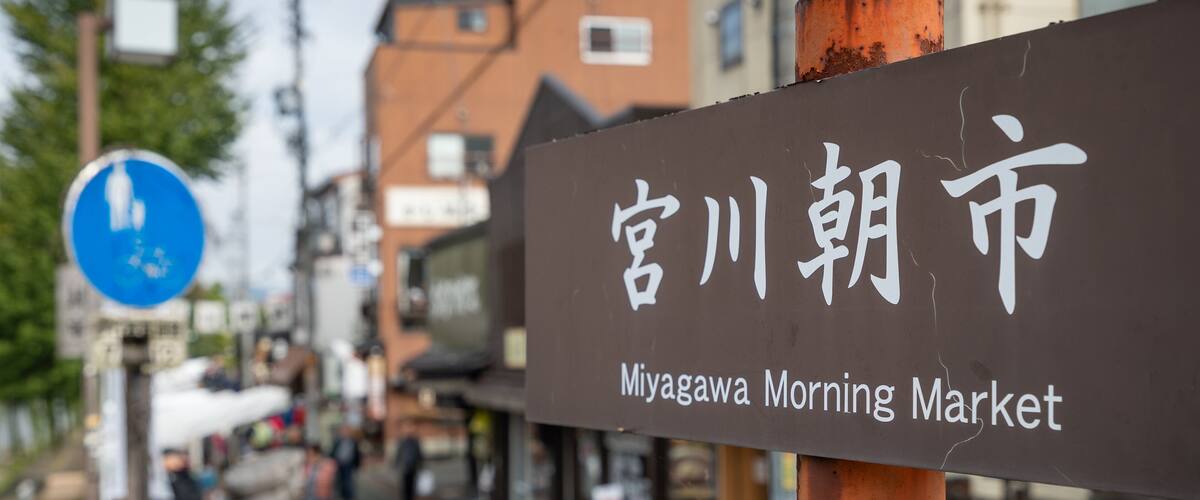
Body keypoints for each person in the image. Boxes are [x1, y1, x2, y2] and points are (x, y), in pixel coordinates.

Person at [393, 419, 424, 500]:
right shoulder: (402, 441)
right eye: (407, 428)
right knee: (404, 489)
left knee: (412, 488)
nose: (409, 430)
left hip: (413, 468)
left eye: (410, 427)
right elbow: (398, 454)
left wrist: (421, 465)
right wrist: (396, 465)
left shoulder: (415, 441)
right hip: (405, 468)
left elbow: (419, 454)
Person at [330, 425, 361, 499]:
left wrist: (357, 464)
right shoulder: (338, 441)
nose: (344, 433)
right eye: (343, 431)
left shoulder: (353, 441)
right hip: (338, 464)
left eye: (346, 431)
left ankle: (349, 496)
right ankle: (342, 494)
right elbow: (333, 451)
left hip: (348, 464)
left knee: (348, 481)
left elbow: (357, 454)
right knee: (339, 481)